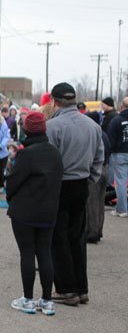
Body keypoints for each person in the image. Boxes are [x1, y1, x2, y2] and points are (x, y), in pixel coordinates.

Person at [45, 83, 104, 306]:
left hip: (61, 184)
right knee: (77, 236)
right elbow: (99, 157)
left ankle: (67, 289)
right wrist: (91, 178)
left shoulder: (52, 126)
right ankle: (82, 287)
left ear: (54, 101)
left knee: (58, 237)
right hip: (81, 183)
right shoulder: (92, 126)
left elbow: (49, 162)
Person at [6, 112, 63, 315]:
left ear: (27, 129)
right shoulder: (55, 153)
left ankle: (28, 299)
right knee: (45, 253)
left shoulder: (27, 154)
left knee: (28, 254)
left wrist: (10, 198)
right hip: (48, 211)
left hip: (25, 212)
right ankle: (47, 300)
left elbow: (13, 181)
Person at [84, 111, 111, 243]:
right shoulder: (103, 133)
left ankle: (92, 232)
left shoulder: (93, 133)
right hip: (105, 168)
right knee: (100, 201)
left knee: (92, 201)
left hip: (96, 169)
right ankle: (98, 229)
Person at [106, 97, 128, 217]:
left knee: (120, 182)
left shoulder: (116, 121)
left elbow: (111, 139)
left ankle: (122, 209)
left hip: (119, 153)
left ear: (121, 107)